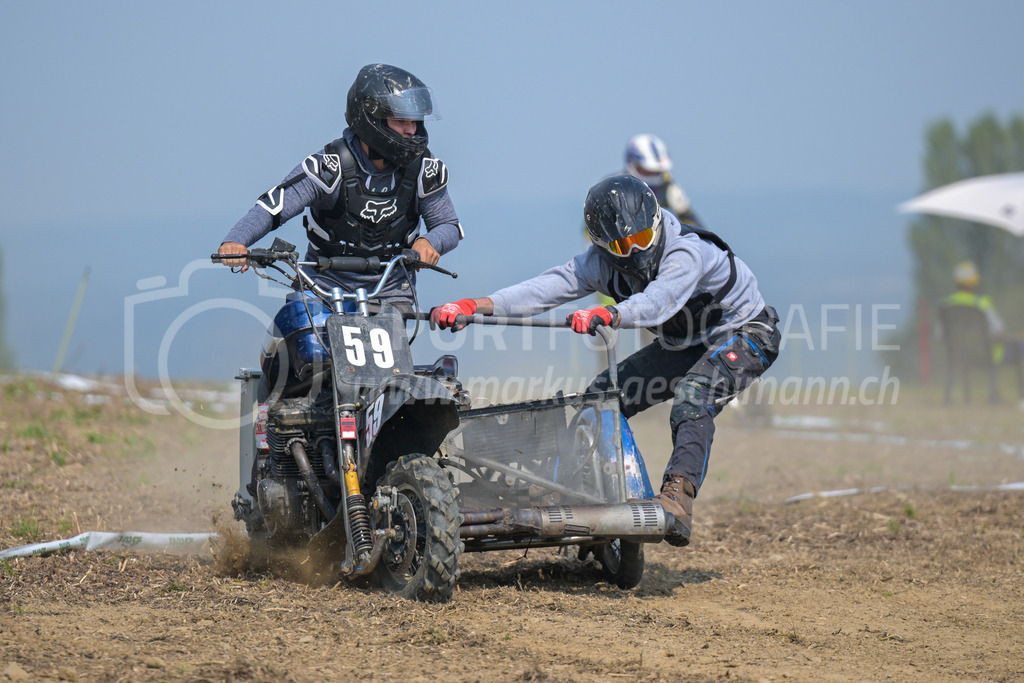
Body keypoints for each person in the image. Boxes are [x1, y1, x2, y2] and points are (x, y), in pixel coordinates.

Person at [431, 174, 780, 547]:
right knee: (600, 398)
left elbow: (658, 301)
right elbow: (545, 288)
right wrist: (475, 305)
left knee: (695, 394)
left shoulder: (686, 252)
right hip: (687, 344)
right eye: (620, 244)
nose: (633, 251)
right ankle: (576, 489)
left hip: (746, 333)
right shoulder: (598, 263)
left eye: (641, 238)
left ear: (657, 223)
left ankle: (677, 498)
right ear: (601, 245)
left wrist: (611, 314)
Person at [217, 63, 463, 307]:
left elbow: (448, 225)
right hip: (321, 291)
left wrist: (430, 242)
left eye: (415, 122)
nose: (411, 131)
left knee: (398, 346)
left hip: (391, 296)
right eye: (401, 121)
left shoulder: (425, 170)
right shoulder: (328, 168)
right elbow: (272, 209)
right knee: (295, 335)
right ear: (371, 120)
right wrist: (236, 241)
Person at [624, 133, 704, 227]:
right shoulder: (614, 188)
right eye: (647, 171)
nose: (652, 176)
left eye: (657, 172)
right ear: (632, 165)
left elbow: (698, 230)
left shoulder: (669, 189)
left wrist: (683, 210)